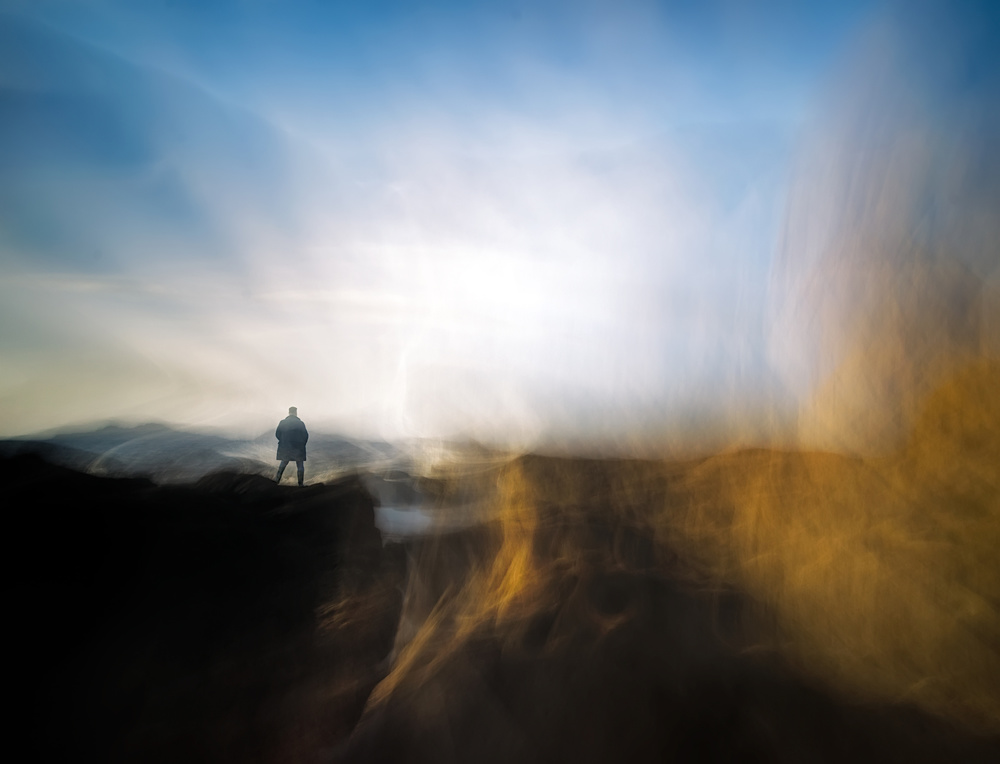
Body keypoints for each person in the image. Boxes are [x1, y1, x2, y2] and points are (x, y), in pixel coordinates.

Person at [275, 406, 308, 485]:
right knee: (300, 464)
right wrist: (302, 444)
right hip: (298, 447)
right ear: (296, 413)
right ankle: (300, 484)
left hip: (285, 446)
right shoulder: (300, 423)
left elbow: (277, 434)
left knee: (283, 462)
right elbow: (305, 436)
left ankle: (276, 481)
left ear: (289, 412)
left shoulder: (283, 422)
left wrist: (283, 441)